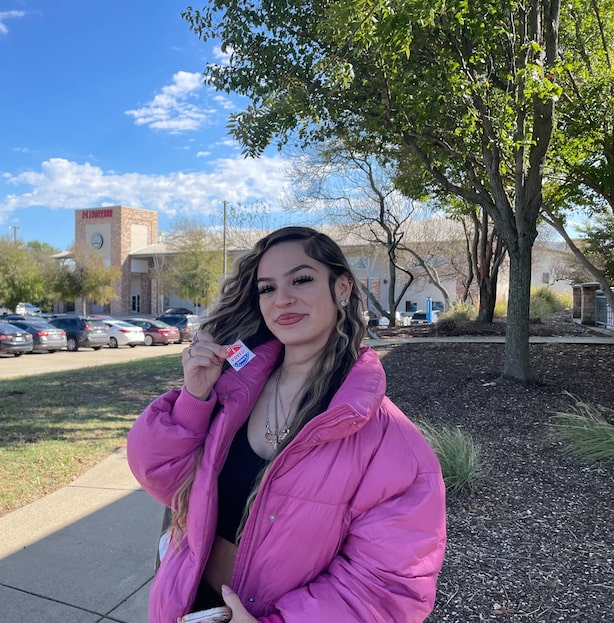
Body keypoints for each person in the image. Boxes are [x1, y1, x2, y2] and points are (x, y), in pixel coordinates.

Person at [127, 226, 447, 622]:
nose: (282, 299)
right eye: (267, 288)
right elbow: (164, 480)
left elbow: (386, 589)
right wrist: (194, 399)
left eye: (301, 279)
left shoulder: (392, 445)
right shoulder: (232, 392)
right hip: (185, 607)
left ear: (342, 287)